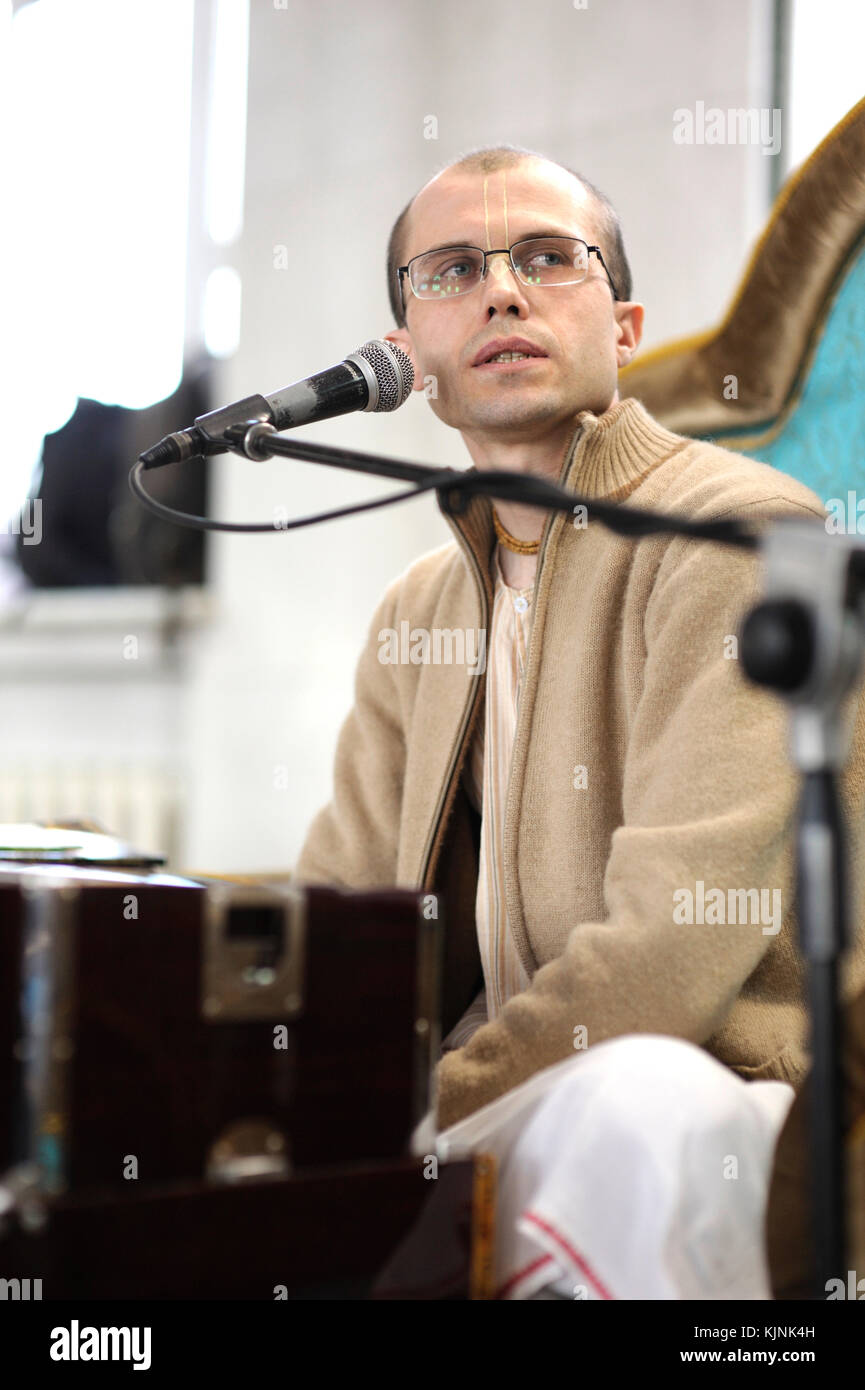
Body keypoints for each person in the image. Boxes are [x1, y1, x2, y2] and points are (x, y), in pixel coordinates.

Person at [294, 145, 865, 1296]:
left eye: (550, 259)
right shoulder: (419, 609)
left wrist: (408, 1118)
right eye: (451, 270)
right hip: (493, 1103)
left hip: (710, 1092)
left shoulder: (740, 535)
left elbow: (663, 961)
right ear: (408, 360)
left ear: (623, 323)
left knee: (642, 1100)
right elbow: (339, 933)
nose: (502, 290)